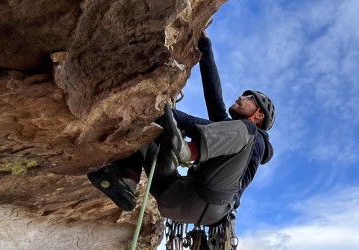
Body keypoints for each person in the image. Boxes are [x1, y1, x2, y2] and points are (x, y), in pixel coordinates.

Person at [88, 35, 275, 227]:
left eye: (250, 98)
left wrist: (167, 111)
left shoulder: (255, 139)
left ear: (259, 116)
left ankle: (186, 151)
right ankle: (128, 181)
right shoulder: (229, 132)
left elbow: (200, 125)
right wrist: (205, 48)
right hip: (177, 199)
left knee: (244, 131)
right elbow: (213, 97)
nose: (241, 97)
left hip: (214, 199)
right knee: (150, 132)